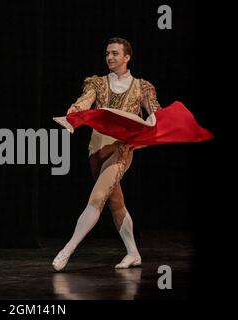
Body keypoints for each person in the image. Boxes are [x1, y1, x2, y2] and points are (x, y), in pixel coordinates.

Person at [52, 37, 160, 271]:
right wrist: (75, 112)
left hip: (121, 150)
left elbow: (156, 117)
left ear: (127, 57)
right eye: (107, 53)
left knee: (98, 197)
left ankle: (67, 250)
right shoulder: (97, 83)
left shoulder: (143, 87)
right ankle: (133, 253)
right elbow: (85, 102)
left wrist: (143, 140)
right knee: (116, 203)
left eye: (115, 53)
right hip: (96, 149)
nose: (109, 57)